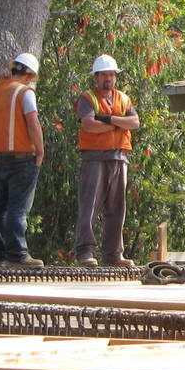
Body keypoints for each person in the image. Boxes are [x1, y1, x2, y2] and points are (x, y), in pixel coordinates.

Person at [73, 53, 140, 268]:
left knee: (118, 207)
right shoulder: (87, 98)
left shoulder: (124, 98)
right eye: (103, 75)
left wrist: (110, 120)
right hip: (94, 157)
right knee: (90, 205)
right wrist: (118, 125)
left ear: (115, 77)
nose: (108, 79)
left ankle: (114, 254)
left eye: (111, 75)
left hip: (119, 157)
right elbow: (89, 125)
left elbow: (135, 122)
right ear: (96, 77)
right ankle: (85, 252)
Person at [0, 51, 45, 268]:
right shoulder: (24, 93)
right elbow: (33, 123)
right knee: (18, 208)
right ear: (29, 76)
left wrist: (0, 75)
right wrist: (40, 150)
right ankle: (18, 254)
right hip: (22, 157)